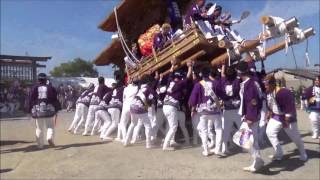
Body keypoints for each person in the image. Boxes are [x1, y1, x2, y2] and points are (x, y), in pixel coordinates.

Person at [264, 74, 308, 161]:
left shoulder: (283, 92)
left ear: (273, 84)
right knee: (269, 132)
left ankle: (303, 153)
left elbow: (290, 107)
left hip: (287, 117)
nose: (265, 86)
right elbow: (270, 104)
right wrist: (269, 112)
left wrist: (287, 119)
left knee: (295, 137)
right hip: (276, 116)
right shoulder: (267, 92)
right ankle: (279, 153)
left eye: (266, 84)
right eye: (264, 84)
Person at [235, 61, 264, 172]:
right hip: (250, 115)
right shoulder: (249, 82)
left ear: (239, 72)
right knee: (252, 141)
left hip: (251, 117)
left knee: (243, 140)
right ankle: (256, 163)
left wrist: (250, 117)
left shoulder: (250, 84)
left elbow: (254, 101)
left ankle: (258, 160)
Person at [189, 66, 224, 156]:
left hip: (203, 111)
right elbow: (222, 94)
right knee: (218, 129)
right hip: (215, 110)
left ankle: (206, 150)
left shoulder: (198, 84)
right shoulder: (215, 83)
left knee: (204, 130)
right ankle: (217, 149)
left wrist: (193, 109)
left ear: (201, 74)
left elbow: (193, 99)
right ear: (209, 74)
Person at [162, 60, 193, 151]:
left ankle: (183, 141)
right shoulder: (179, 83)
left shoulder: (170, 82)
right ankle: (165, 145)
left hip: (166, 106)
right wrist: (190, 67)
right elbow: (187, 77)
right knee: (173, 127)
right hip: (171, 107)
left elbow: (170, 73)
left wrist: (172, 65)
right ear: (179, 78)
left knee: (172, 126)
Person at [27, 73, 61, 148]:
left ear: (38, 79)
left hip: (38, 110)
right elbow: (55, 99)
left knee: (39, 128)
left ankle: (40, 145)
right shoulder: (51, 88)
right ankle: (49, 137)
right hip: (49, 109)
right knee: (50, 126)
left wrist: (29, 109)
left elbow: (30, 99)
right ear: (46, 79)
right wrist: (57, 108)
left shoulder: (34, 88)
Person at [124, 74, 156, 149]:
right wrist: (148, 105)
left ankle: (126, 141)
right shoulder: (149, 88)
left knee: (132, 124)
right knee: (147, 126)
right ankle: (148, 144)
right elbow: (151, 99)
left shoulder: (139, 87)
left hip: (132, 107)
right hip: (140, 108)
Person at [220, 64, 242, 154]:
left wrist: (223, 65)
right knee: (241, 128)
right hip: (236, 108)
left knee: (226, 130)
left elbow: (222, 75)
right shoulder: (237, 81)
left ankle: (224, 148)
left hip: (227, 108)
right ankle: (244, 146)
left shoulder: (223, 81)